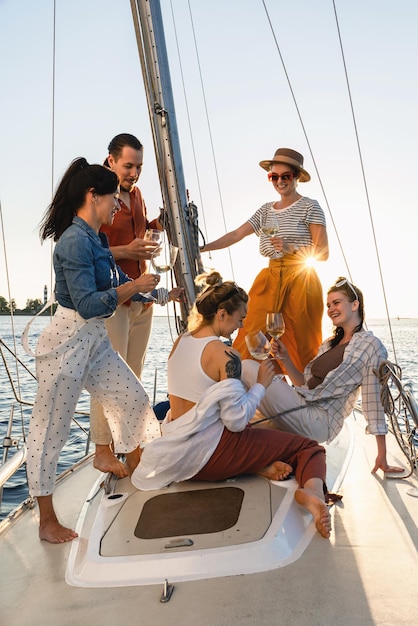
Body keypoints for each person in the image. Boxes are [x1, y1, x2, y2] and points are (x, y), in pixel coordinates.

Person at [132, 271, 332, 539]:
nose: (240, 326)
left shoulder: (181, 342)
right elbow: (236, 421)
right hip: (210, 455)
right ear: (222, 314)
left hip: (177, 458)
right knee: (308, 447)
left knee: (255, 435)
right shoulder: (226, 354)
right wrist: (261, 383)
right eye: (240, 319)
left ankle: (254, 465)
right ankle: (313, 493)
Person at [26, 157, 162, 544]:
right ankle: (47, 520)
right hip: (68, 340)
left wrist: (160, 292)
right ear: (92, 196)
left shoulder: (98, 239)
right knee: (50, 430)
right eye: (113, 198)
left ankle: (137, 468)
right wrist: (132, 289)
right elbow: (87, 304)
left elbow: (118, 280)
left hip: (95, 339)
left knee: (134, 396)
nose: (118, 204)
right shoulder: (72, 242)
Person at [241, 277, 405, 475]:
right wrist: (285, 358)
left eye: (336, 303)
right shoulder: (330, 344)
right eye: (328, 305)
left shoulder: (371, 346)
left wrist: (382, 455)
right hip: (302, 405)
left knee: (247, 367)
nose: (330, 309)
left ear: (355, 305)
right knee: (250, 429)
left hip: (320, 419)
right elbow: (304, 383)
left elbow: (373, 399)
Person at [89, 133, 183, 477]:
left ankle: (128, 448)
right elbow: (88, 249)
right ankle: (103, 450)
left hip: (141, 299)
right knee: (108, 378)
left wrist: (165, 221)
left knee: (132, 379)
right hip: (112, 300)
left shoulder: (137, 194)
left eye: (139, 166)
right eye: (128, 165)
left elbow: (143, 233)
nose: (134, 173)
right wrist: (128, 251)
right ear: (111, 160)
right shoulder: (94, 192)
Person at [200, 148, 328, 373]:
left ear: (296, 177)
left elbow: (323, 252)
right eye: (274, 177)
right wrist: (201, 248)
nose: (279, 181)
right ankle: (243, 388)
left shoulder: (310, 206)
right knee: (250, 332)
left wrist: (292, 248)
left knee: (302, 342)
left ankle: (308, 394)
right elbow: (236, 235)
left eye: (285, 176)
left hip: (302, 280)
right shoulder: (265, 211)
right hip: (269, 279)